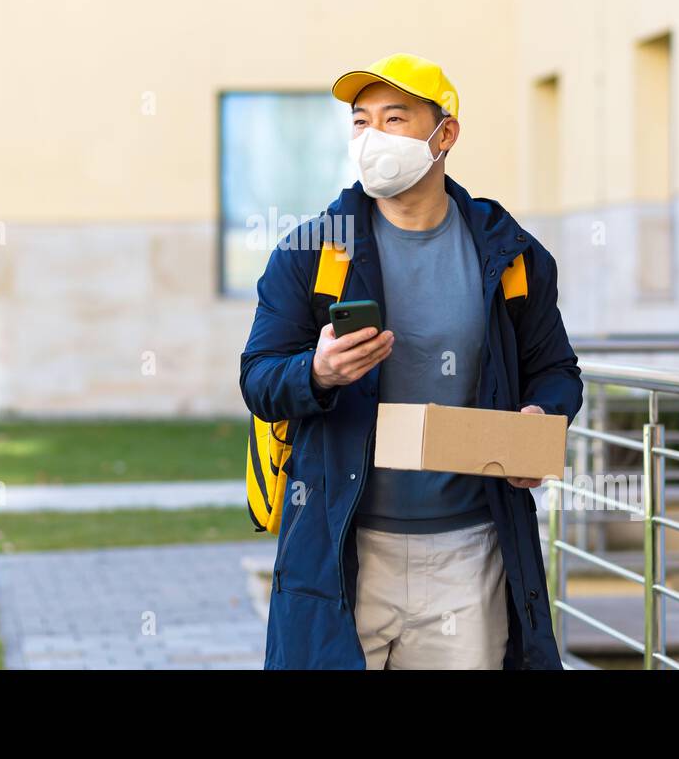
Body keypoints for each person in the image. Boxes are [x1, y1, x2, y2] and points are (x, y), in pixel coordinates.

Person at [240, 52, 583, 669]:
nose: (372, 137)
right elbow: (259, 380)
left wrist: (541, 416)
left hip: (469, 552)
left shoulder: (512, 257)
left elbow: (557, 370)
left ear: (444, 134)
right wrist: (315, 373)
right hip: (342, 551)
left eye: (394, 118)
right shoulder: (310, 252)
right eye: (360, 121)